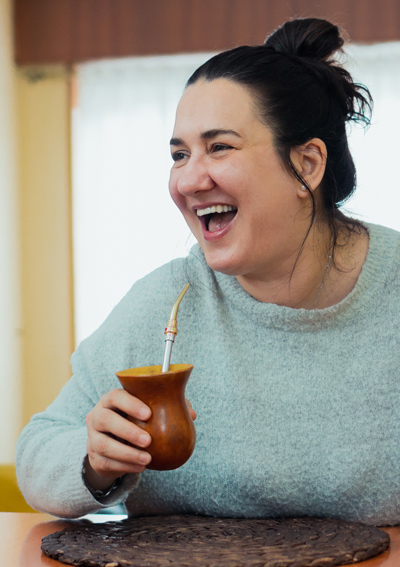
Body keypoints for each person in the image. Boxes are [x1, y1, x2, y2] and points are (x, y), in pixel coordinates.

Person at [16, 18, 400, 525]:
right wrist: (95, 462)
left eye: (219, 147)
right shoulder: (165, 301)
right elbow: (38, 449)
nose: (189, 180)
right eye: (179, 154)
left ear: (307, 164)